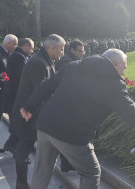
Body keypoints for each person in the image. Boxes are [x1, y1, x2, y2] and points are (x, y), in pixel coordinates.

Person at [20, 48, 135, 189]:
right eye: (124, 68)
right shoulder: (114, 84)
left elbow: (46, 85)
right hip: (71, 134)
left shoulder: (74, 66)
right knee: (91, 173)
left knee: (42, 170)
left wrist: (29, 107)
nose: (124, 74)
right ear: (115, 64)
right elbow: (133, 116)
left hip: (46, 125)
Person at [10, 34, 65, 189]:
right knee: (23, 149)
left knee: (25, 147)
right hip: (27, 114)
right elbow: (42, 91)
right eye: (61, 49)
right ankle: (21, 183)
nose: (62, 52)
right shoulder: (38, 63)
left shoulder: (45, 60)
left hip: (32, 113)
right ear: (53, 48)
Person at [55, 39, 85, 172]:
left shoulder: (69, 59)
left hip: (66, 101)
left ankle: (67, 164)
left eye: (83, 50)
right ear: (72, 50)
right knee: (67, 137)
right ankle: (66, 164)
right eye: (80, 51)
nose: (82, 53)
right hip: (66, 102)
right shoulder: (68, 61)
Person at [2, 38, 35, 154]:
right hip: (15, 96)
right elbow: (24, 77)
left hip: (13, 95)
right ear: (26, 46)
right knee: (20, 123)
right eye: (31, 48)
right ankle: (14, 147)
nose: (32, 51)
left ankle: (12, 145)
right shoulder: (19, 57)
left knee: (18, 123)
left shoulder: (17, 55)